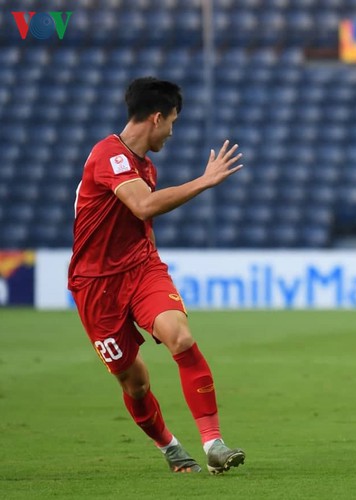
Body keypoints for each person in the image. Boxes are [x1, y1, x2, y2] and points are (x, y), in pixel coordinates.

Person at [68, 77, 246, 474]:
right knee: (136, 383)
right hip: (96, 287)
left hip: (142, 268)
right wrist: (204, 180)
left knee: (179, 335)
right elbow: (144, 206)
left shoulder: (144, 165)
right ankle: (169, 446)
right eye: (172, 123)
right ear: (156, 117)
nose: (171, 131)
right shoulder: (108, 155)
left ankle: (214, 444)